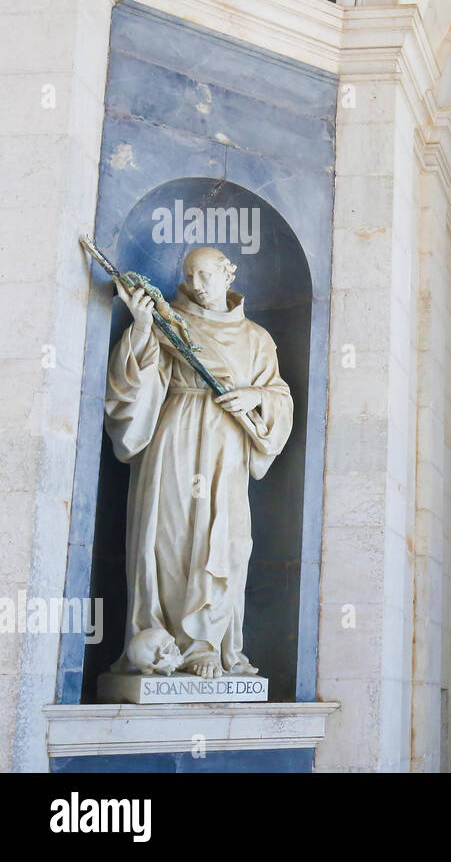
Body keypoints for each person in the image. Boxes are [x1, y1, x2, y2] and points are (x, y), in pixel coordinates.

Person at [105, 245, 292, 679]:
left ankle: (208, 643)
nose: (198, 285)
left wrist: (256, 397)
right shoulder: (171, 322)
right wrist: (143, 326)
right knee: (171, 539)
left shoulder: (257, 339)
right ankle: (168, 643)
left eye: (207, 275)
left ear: (230, 272)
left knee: (224, 541)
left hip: (228, 444)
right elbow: (133, 385)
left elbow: (279, 397)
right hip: (175, 438)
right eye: (191, 277)